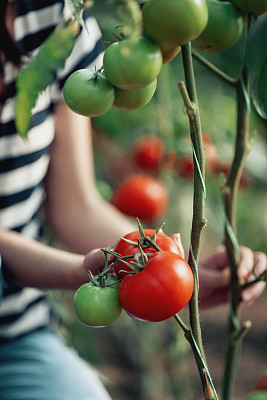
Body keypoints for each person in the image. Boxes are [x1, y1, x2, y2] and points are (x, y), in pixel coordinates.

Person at [0, 1, 266, 400]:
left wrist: (177, 266)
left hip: (14, 332)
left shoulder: (57, 21)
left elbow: (76, 207)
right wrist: (88, 269)